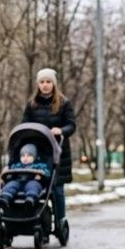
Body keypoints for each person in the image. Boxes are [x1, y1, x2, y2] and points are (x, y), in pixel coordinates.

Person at [21, 69, 76, 231]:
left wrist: (61, 130)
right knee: (35, 186)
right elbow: (24, 123)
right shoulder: (32, 104)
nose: (45, 85)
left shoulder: (63, 103)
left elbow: (71, 125)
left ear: (54, 84)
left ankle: (60, 222)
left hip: (58, 152)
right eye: (42, 82)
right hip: (37, 152)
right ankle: (36, 220)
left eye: (48, 82)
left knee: (57, 190)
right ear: (38, 84)